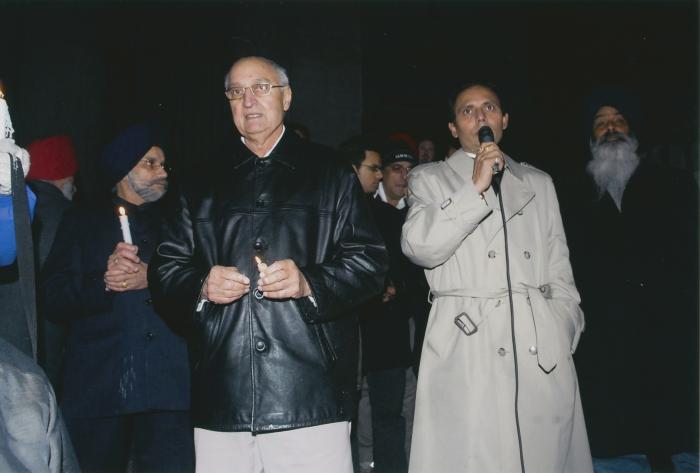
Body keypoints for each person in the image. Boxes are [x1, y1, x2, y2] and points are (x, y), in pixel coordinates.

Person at [148, 56, 387, 473]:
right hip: (224, 392)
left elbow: (369, 262)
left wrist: (308, 282)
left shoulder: (331, 173)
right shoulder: (199, 179)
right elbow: (166, 268)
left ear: (287, 97)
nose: (248, 100)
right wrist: (201, 286)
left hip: (310, 393)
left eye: (261, 87)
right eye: (236, 92)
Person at [401, 82, 592, 473]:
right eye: (467, 111)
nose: (480, 117)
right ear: (453, 129)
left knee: (542, 457)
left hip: (537, 346)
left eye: (489, 107)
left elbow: (560, 268)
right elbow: (419, 247)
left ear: (503, 120)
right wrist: (475, 187)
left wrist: (561, 328)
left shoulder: (539, 182)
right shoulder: (429, 179)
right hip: (467, 345)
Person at [40, 124, 193, 473]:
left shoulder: (179, 221)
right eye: (150, 163)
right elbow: (53, 296)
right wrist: (104, 283)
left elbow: (200, 286)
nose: (162, 172)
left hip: (167, 384)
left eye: (164, 164)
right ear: (122, 169)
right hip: (101, 384)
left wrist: (152, 277)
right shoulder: (82, 221)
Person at [564, 88, 698, 471]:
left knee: (681, 443)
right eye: (601, 123)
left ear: (633, 131)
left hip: (670, 340)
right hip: (607, 347)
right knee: (616, 449)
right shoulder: (572, 195)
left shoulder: (674, 184)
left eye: (618, 121)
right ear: (591, 138)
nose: (610, 129)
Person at [26, 135, 79, 393]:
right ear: (61, 179)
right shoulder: (67, 216)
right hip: (53, 340)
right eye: (72, 182)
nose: (75, 190)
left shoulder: (13, 207)